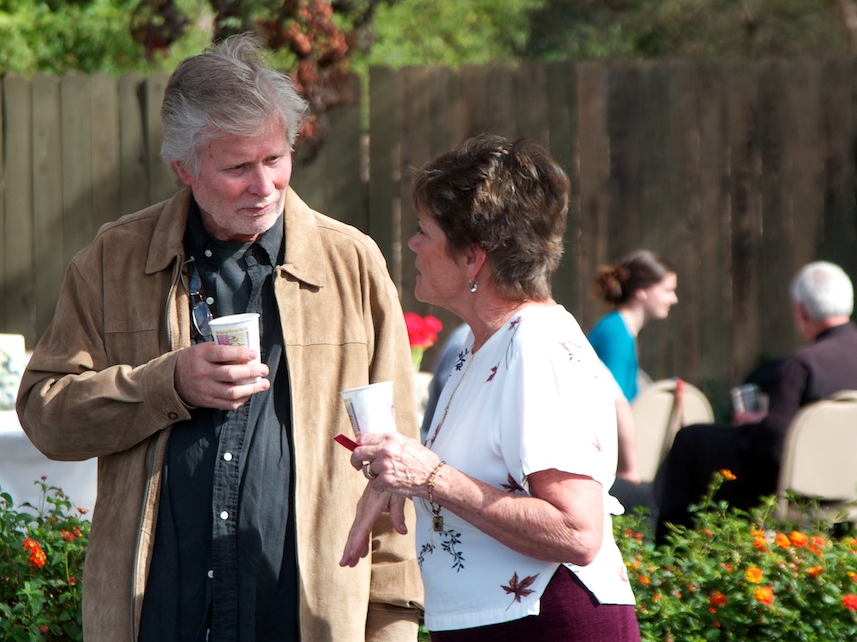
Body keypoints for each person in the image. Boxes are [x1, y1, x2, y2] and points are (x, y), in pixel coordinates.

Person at [17, 35, 423, 642]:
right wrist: (167, 384)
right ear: (184, 169)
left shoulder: (352, 265)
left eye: (276, 158)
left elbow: (395, 467)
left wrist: (392, 624)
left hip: (306, 619)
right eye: (238, 168)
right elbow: (45, 416)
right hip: (158, 618)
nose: (265, 186)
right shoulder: (112, 261)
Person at [340, 135, 639, 640]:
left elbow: (577, 531)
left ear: (472, 258)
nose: (413, 244)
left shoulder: (537, 344)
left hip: (549, 624)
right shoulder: (482, 347)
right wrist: (405, 479)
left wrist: (431, 477)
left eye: (424, 231)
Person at [654, 260, 857, 542]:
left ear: (800, 310)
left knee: (690, 440)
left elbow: (772, 448)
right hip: (847, 483)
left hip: (789, 489)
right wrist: (770, 421)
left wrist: (755, 426)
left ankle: (673, 553)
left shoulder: (802, 364)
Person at [588, 250, 678, 403]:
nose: (674, 299)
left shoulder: (623, 329)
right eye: (667, 290)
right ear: (642, 290)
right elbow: (615, 404)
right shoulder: (616, 333)